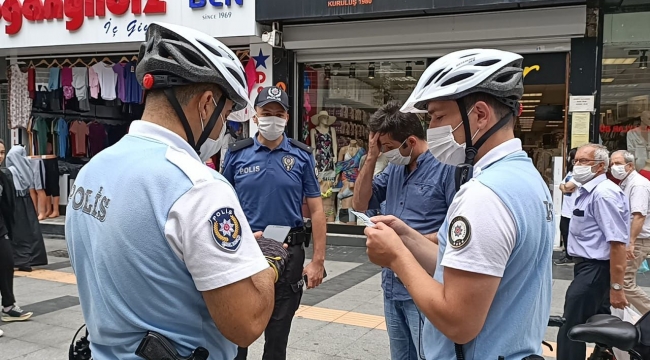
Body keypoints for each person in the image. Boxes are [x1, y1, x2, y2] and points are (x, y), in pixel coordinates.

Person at [65, 22, 286, 360]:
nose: (225, 129)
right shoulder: (199, 187)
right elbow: (247, 324)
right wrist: (266, 263)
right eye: (227, 114)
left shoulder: (92, 170)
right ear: (207, 104)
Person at [365, 49, 555, 360]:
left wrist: (396, 257)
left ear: (480, 115)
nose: (432, 128)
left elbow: (458, 322)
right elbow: (465, 267)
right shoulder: (525, 177)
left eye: (439, 116)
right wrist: (407, 237)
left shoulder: (484, 196)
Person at [222, 86, 327, 360]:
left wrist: (318, 261)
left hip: (288, 253)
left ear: (287, 117)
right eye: (266, 113)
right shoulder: (237, 154)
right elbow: (222, 205)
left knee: (278, 339)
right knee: (237, 336)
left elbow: (316, 210)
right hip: (245, 251)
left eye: (278, 114)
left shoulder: (301, 156)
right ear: (255, 116)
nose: (272, 119)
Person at [352, 101, 455, 360]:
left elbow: (454, 230)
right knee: (400, 354)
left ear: (409, 141)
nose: (386, 152)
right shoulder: (396, 167)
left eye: (388, 147)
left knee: (427, 354)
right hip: (392, 283)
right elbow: (360, 203)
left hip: (425, 284)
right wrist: (372, 157)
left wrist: (405, 240)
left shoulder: (447, 169)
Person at [556, 143, 629, 360]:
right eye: (575, 161)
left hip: (595, 269)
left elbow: (617, 243)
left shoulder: (603, 194)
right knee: (601, 319)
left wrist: (617, 287)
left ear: (599, 167)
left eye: (583, 161)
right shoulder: (587, 189)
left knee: (571, 325)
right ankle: (604, 354)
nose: (576, 165)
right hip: (587, 267)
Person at [611, 150, 650, 314]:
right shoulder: (625, 182)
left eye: (618, 164)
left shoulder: (638, 185)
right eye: (611, 163)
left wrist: (631, 243)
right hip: (630, 239)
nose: (614, 167)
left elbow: (639, 216)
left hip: (638, 239)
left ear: (630, 165)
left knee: (624, 282)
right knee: (621, 281)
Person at [0, 141, 33, 324]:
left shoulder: (3, 177)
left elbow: (7, 204)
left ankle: (8, 306)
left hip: (1, 228)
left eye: (2, 152)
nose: (0, 156)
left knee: (7, 262)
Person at [555, 148, 580, 266]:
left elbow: (568, 186)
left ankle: (572, 256)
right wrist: (565, 187)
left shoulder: (580, 173)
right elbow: (562, 186)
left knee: (573, 233)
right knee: (564, 230)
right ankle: (568, 254)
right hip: (566, 209)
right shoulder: (571, 172)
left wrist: (565, 187)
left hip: (575, 210)